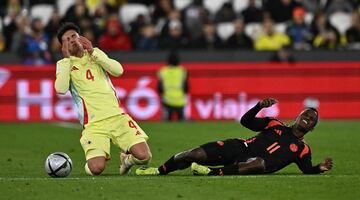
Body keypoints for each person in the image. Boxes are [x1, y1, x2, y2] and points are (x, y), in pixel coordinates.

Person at [136, 98, 333, 176]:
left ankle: (212, 173)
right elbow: (245, 122)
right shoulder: (274, 124)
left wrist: (319, 168)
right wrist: (259, 107)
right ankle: (159, 171)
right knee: (194, 154)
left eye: (312, 119)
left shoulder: (303, 149)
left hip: (254, 163)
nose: (308, 117)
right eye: (306, 114)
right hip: (240, 147)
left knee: (259, 163)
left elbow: (307, 169)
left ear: (313, 128)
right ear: (297, 116)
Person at [55, 22, 152, 176]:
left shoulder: (95, 54)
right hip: (94, 124)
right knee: (96, 169)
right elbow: (60, 89)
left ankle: (126, 160)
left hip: (117, 116)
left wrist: (93, 51)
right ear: (63, 46)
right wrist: (66, 59)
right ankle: (93, 157)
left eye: (74, 36)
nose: (72, 40)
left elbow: (118, 70)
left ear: (81, 37)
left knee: (144, 156)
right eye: (67, 40)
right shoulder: (64, 64)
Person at [157, 51, 188, 121]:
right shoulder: (182, 71)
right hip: (180, 101)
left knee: (166, 125)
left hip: (167, 101)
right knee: (182, 125)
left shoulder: (163, 71)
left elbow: (159, 88)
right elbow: (186, 88)